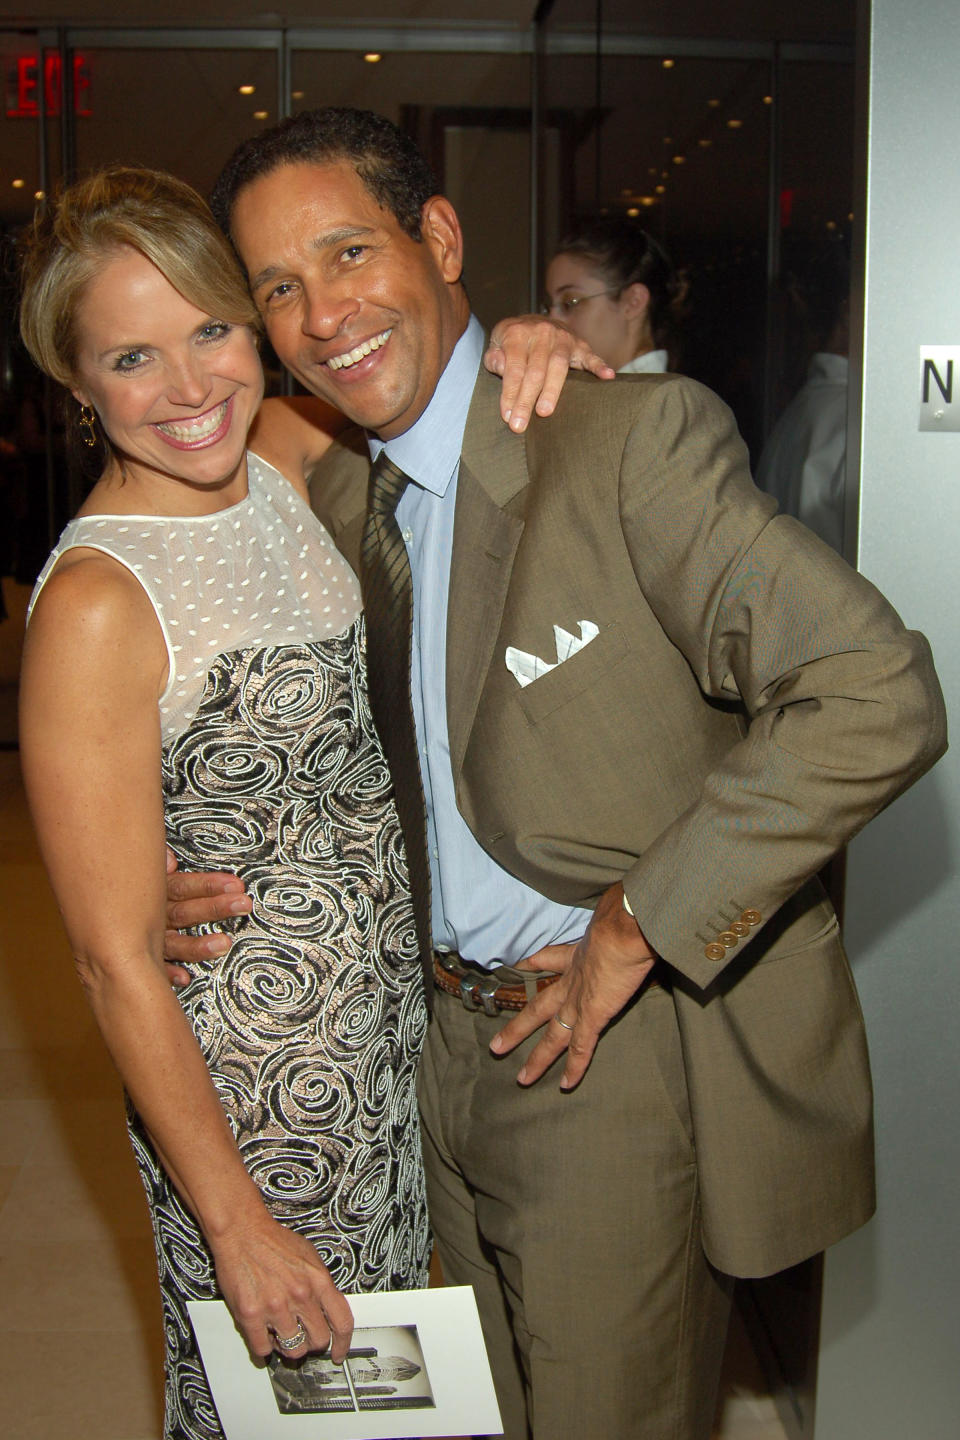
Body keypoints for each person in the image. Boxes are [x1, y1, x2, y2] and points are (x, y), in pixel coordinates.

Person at [167, 109, 947, 1440]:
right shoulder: (362, 500)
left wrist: (639, 922)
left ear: (442, 236)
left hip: (602, 1060)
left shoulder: (622, 439)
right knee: (486, 1414)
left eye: (350, 252)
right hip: (436, 1056)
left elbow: (875, 690)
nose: (322, 312)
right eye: (279, 288)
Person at [16, 164, 606, 1440]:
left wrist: (519, 331)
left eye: (213, 331)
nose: (189, 389)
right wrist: (237, 1223)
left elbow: (435, 393)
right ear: (75, 385)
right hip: (266, 1091)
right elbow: (113, 961)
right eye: (132, 356)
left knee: (383, 1406)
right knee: (298, 1410)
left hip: (392, 1038)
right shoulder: (94, 604)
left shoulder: (281, 449)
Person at [543, 213, 679, 373]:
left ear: (633, 302)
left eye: (570, 303)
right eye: (548, 308)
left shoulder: (662, 395)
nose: (551, 321)